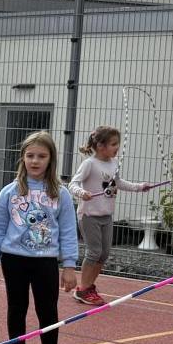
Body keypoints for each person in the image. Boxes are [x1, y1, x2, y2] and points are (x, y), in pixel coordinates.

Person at [0, 132, 79, 344]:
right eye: (30, 156)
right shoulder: (10, 191)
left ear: (51, 159)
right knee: (17, 308)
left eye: (41, 156)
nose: (35, 161)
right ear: (22, 158)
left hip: (45, 260)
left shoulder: (61, 193)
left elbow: (69, 231)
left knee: (47, 310)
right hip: (13, 259)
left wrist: (69, 265)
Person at [67, 126, 154, 306]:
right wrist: (82, 193)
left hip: (106, 215)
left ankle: (88, 286)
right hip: (89, 215)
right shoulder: (89, 164)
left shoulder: (114, 164)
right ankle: (83, 289)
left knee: (104, 253)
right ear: (100, 145)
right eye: (114, 144)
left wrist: (139, 187)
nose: (117, 148)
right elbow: (72, 184)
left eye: (117, 144)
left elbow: (118, 182)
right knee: (94, 252)